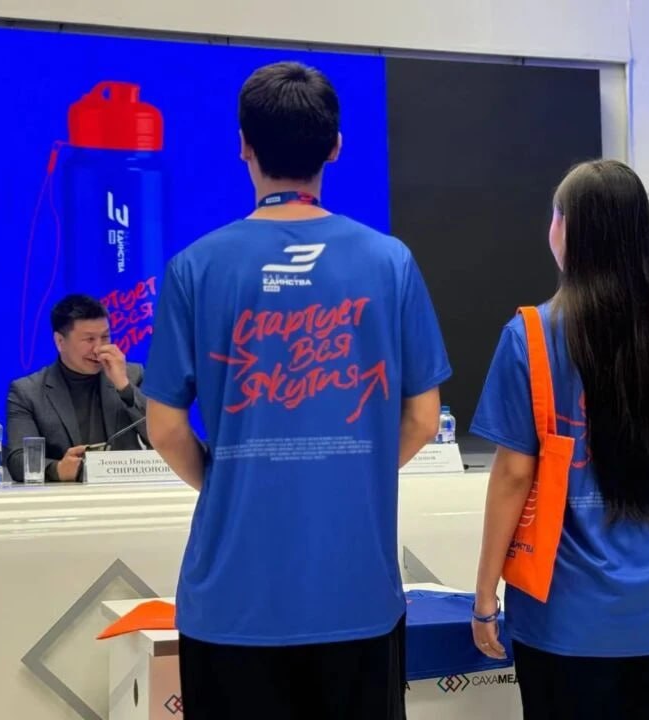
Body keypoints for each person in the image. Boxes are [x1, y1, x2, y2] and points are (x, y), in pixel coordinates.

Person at [142, 61, 450, 719]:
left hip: (232, 601)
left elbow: (164, 428)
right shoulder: (389, 262)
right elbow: (425, 419)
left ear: (244, 146)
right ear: (335, 146)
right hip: (356, 592)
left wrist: (227, 481)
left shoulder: (193, 267)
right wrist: (355, 469)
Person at [469, 160, 649, 719]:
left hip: (564, 618)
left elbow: (513, 476)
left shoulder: (529, 336)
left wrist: (484, 597)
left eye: (556, 215)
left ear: (570, 230)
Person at [6, 294, 147, 483]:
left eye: (105, 337)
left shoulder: (133, 375)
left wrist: (124, 387)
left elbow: (164, 438)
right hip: (64, 496)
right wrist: (56, 469)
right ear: (60, 342)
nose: (99, 349)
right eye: (89, 339)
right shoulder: (27, 392)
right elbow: (18, 460)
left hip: (127, 491)